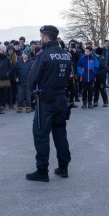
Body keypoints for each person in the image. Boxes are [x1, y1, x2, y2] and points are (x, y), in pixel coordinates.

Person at [26, 25, 72, 182]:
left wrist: (31, 91)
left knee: (41, 135)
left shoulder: (44, 55)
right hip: (62, 98)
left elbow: (32, 78)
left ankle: (42, 171)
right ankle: (63, 167)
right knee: (60, 133)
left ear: (45, 37)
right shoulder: (66, 55)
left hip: (46, 99)